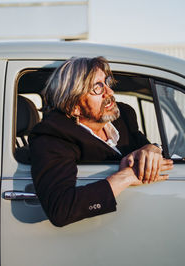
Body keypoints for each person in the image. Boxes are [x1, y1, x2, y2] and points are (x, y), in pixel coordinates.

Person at [29, 56, 174, 227]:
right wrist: (125, 176)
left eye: (107, 82)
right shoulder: (53, 137)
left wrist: (153, 148)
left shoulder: (124, 117)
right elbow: (61, 209)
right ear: (73, 106)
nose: (110, 92)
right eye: (97, 88)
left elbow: (145, 149)